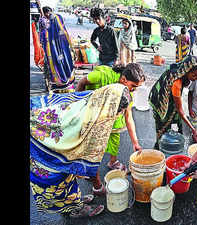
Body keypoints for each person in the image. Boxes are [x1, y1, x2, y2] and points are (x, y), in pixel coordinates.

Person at [30, 83, 131, 218]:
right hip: (42, 148)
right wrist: (98, 186)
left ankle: (74, 201)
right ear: (111, 108)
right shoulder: (94, 122)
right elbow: (88, 160)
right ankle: (74, 210)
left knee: (68, 173)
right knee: (55, 184)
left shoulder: (93, 97)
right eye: (119, 112)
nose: (119, 115)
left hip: (43, 130)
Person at [75, 63, 145, 175]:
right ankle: (88, 168)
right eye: (133, 86)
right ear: (123, 79)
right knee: (92, 144)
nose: (134, 90)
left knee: (114, 136)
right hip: (93, 110)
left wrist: (135, 143)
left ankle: (113, 162)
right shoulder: (102, 75)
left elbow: (128, 117)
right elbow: (82, 82)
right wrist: (79, 104)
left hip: (112, 113)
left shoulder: (127, 94)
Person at [149, 55, 197, 148]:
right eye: (194, 75)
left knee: (180, 122)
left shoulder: (181, 72)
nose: (196, 78)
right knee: (163, 126)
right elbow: (180, 111)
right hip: (160, 101)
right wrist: (193, 129)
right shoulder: (176, 82)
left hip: (171, 99)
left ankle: (178, 144)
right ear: (186, 71)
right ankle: (159, 148)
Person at [36, 1, 75, 93]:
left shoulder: (45, 21)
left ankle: (56, 84)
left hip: (51, 49)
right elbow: (64, 32)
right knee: (63, 63)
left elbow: (43, 34)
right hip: (60, 47)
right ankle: (66, 82)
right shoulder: (57, 18)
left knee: (54, 65)